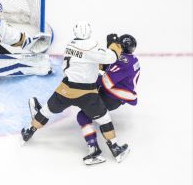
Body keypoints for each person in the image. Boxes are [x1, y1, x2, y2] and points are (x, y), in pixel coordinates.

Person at [21, 21, 130, 163]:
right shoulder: (91, 45)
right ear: (89, 32)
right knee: (104, 120)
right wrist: (114, 45)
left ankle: (29, 130)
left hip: (65, 90)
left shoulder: (70, 44)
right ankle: (115, 149)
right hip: (87, 93)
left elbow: (86, 61)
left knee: (47, 110)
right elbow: (110, 57)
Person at [77, 34, 139, 165]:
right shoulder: (132, 59)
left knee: (82, 116)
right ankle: (114, 148)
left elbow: (106, 82)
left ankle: (96, 150)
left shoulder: (123, 62)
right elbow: (110, 68)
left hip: (111, 97)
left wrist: (90, 74)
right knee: (85, 107)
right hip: (115, 96)